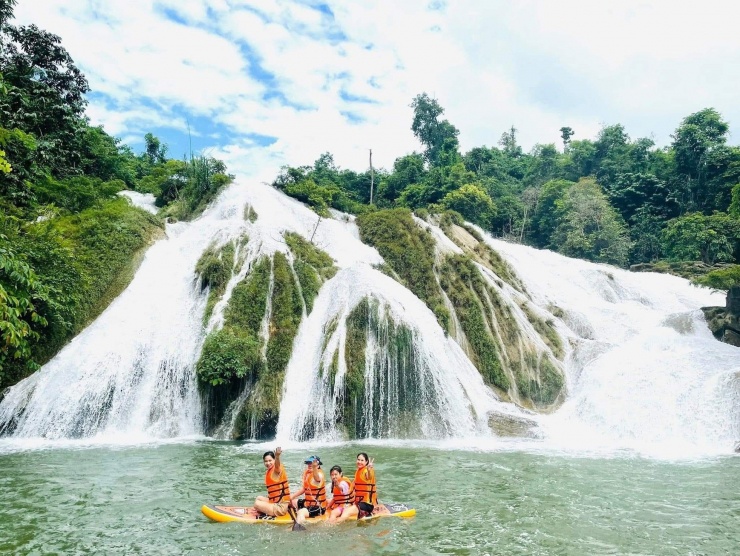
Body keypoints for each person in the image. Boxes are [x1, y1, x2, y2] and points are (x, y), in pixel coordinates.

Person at [334, 452, 389, 523]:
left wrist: (369, 470)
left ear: (366, 462)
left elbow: (369, 477)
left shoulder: (367, 470)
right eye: (358, 460)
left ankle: (331, 526)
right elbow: (350, 489)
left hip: (367, 504)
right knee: (345, 510)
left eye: (362, 460)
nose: (359, 462)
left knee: (346, 513)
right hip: (359, 503)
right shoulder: (358, 471)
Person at [250, 447, 291, 518]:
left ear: (274, 460)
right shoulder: (269, 471)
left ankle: (262, 510)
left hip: (280, 508)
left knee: (257, 504)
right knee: (259, 498)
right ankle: (262, 510)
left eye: (270, 460)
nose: (268, 463)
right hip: (275, 503)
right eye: (266, 461)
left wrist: (277, 456)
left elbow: (277, 467)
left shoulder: (276, 470)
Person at [289, 455, 326, 524]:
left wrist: (314, 468)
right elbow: (304, 489)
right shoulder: (308, 473)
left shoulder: (319, 474)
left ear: (318, 465)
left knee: (301, 512)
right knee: (289, 502)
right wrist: (292, 496)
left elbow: (317, 479)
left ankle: (300, 529)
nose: (310, 465)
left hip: (318, 507)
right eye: (309, 463)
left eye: (312, 463)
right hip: (308, 503)